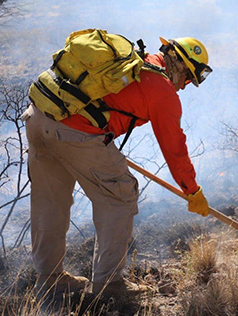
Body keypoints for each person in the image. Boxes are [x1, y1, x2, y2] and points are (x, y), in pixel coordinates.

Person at [22, 35, 212, 298]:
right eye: (189, 78)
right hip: (74, 132)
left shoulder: (134, 63)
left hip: (38, 117)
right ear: (179, 64)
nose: (185, 86)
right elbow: (174, 148)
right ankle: (109, 286)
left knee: (49, 201)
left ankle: (49, 280)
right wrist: (192, 190)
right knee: (120, 196)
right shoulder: (162, 90)